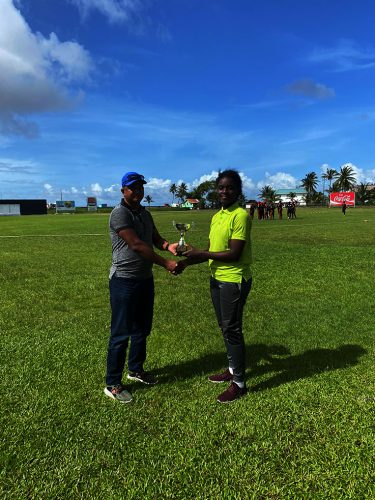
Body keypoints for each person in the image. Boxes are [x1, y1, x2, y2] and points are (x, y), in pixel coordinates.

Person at [177, 169, 253, 403]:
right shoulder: (217, 215)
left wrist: (202, 252)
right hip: (216, 277)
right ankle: (231, 369)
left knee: (232, 329)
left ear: (238, 190)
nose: (224, 191)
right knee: (224, 326)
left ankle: (239, 383)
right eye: (221, 187)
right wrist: (185, 262)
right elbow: (211, 252)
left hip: (234, 278)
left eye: (230, 187)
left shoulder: (240, 215)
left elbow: (234, 253)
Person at [105, 171, 179, 403]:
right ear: (123, 191)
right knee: (120, 333)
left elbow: (154, 238)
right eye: (132, 187)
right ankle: (113, 383)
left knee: (142, 329)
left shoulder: (144, 213)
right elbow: (136, 244)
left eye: (140, 187)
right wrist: (166, 263)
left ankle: (135, 369)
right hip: (124, 280)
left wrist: (169, 246)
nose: (137, 191)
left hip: (144, 279)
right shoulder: (119, 214)